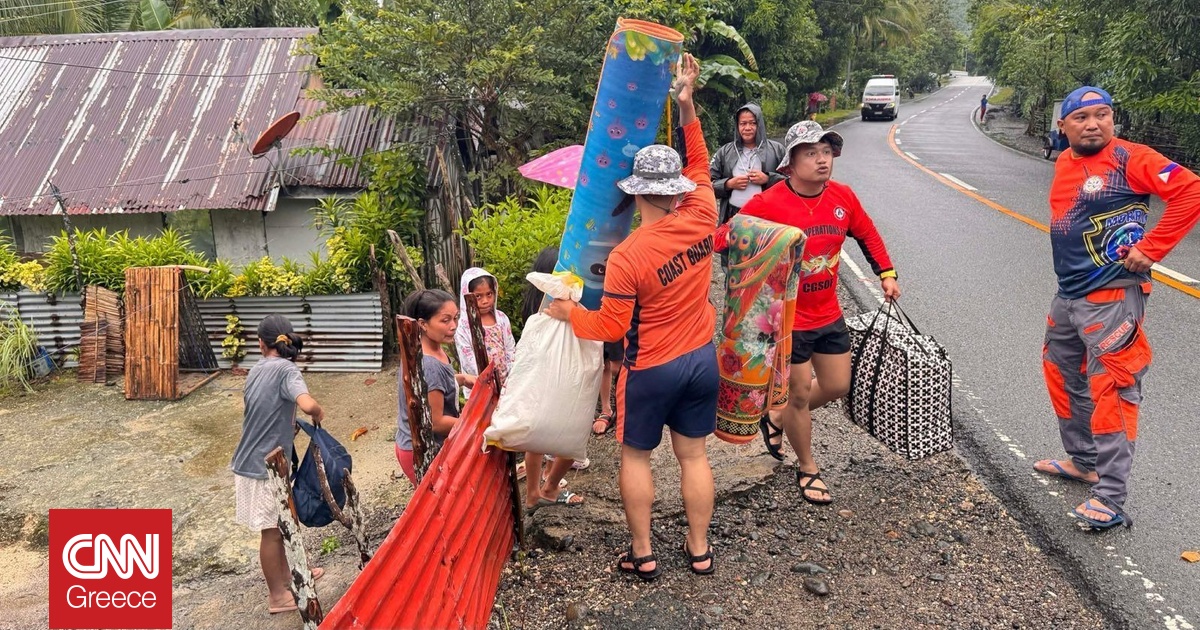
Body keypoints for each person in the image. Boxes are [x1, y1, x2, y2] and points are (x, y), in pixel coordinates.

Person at [546, 53, 717, 581]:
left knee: (637, 458)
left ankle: (643, 553)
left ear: (636, 190)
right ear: (678, 189)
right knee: (693, 457)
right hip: (701, 360)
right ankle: (699, 550)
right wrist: (686, 104)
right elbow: (702, 166)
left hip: (651, 370)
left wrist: (568, 310)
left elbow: (611, 329)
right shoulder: (705, 211)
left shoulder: (627, 257)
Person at [1034, 86, 1200, 530]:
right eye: (1082, 117)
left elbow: (1190, 190)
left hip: (1112, 294)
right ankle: (1084, 461)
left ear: (1113, 119)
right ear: (1063, 125)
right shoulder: (1067, 160)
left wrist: (1153, 248)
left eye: (1102, 114)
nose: (1093, 124)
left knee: (1114, 385)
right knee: (1060, 370)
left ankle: (1109, 496)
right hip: (1069, 292)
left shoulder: (1130, 157)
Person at [715, 120, 899, 505]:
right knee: (798, 394)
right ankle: (808, 466)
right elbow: (728, 236)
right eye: (812, 153)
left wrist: (886, 273)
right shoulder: (769, 202)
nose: (822, 161)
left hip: (828, 313)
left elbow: (867, 234)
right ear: (790, 162)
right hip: (788, 321)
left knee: (836, 386)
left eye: (827, 152)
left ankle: (778, 416)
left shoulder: (843, 197)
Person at [230, 314, 325, 614]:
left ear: (261, 345)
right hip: (263, 468)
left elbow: (264, 411)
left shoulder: (257, 369)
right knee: (271, 531)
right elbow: (307, 403)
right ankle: (277, 596)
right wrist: (317, 414)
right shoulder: (287, 370)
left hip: (256, 459)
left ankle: (292, 574)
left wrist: (288, 427)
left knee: (282, 522)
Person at [518, 245, 586, 509]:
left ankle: (544, 489)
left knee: (543, 438)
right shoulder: (547, 310)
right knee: (566, 435)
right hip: (557, 379)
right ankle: (544, 489)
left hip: (546, 378)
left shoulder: (548, 307)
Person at [395, 290, 476, 485]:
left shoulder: (432, 349)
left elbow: (436, 388)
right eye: (445, 320)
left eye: (455, 318)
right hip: (420, 449)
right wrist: (477, 424)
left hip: (420, 443)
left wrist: (462, 379)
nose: (453, 326)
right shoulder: (429, 365)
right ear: (422, 324)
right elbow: (436, 422)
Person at [710, 103, 786, 226]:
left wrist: (768, 179)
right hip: (733, 216)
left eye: (752, 123)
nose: (747, 128)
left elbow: (793, 183)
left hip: (768, 218)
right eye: (743, 123)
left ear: (760, 125)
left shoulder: (777, 150)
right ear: (737, 126)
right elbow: (707, 186)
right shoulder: (724, 152)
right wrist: (728, 184)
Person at [454, 267, 516, 397]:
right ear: (467, 296)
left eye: (489, 294)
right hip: (479, 386)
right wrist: (487, 380)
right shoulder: (463, 327)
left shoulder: (502, 319)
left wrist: (510, 376)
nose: (485, 300)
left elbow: (510, 348)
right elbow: (468, 360)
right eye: (478, 296)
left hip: (506, 385)